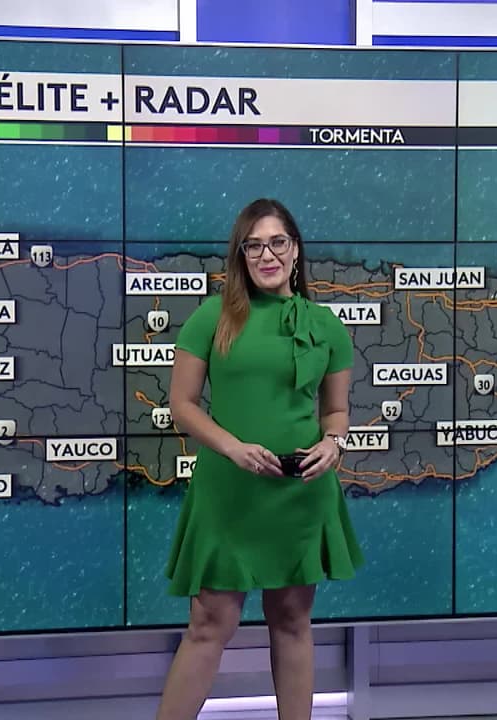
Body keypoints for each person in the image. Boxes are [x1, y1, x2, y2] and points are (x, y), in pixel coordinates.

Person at [154, 198, 365, 720]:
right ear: (241, 255)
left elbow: (336, 411)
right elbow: (182, 405)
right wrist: (233, 448)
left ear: (295, 251)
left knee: (292, 620)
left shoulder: (325, 325)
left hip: (299, 492)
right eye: (254, 246)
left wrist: (333, 443)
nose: (266, 255)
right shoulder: (213, 316)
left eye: (277, 243)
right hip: (229, 491)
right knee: (209, 624)